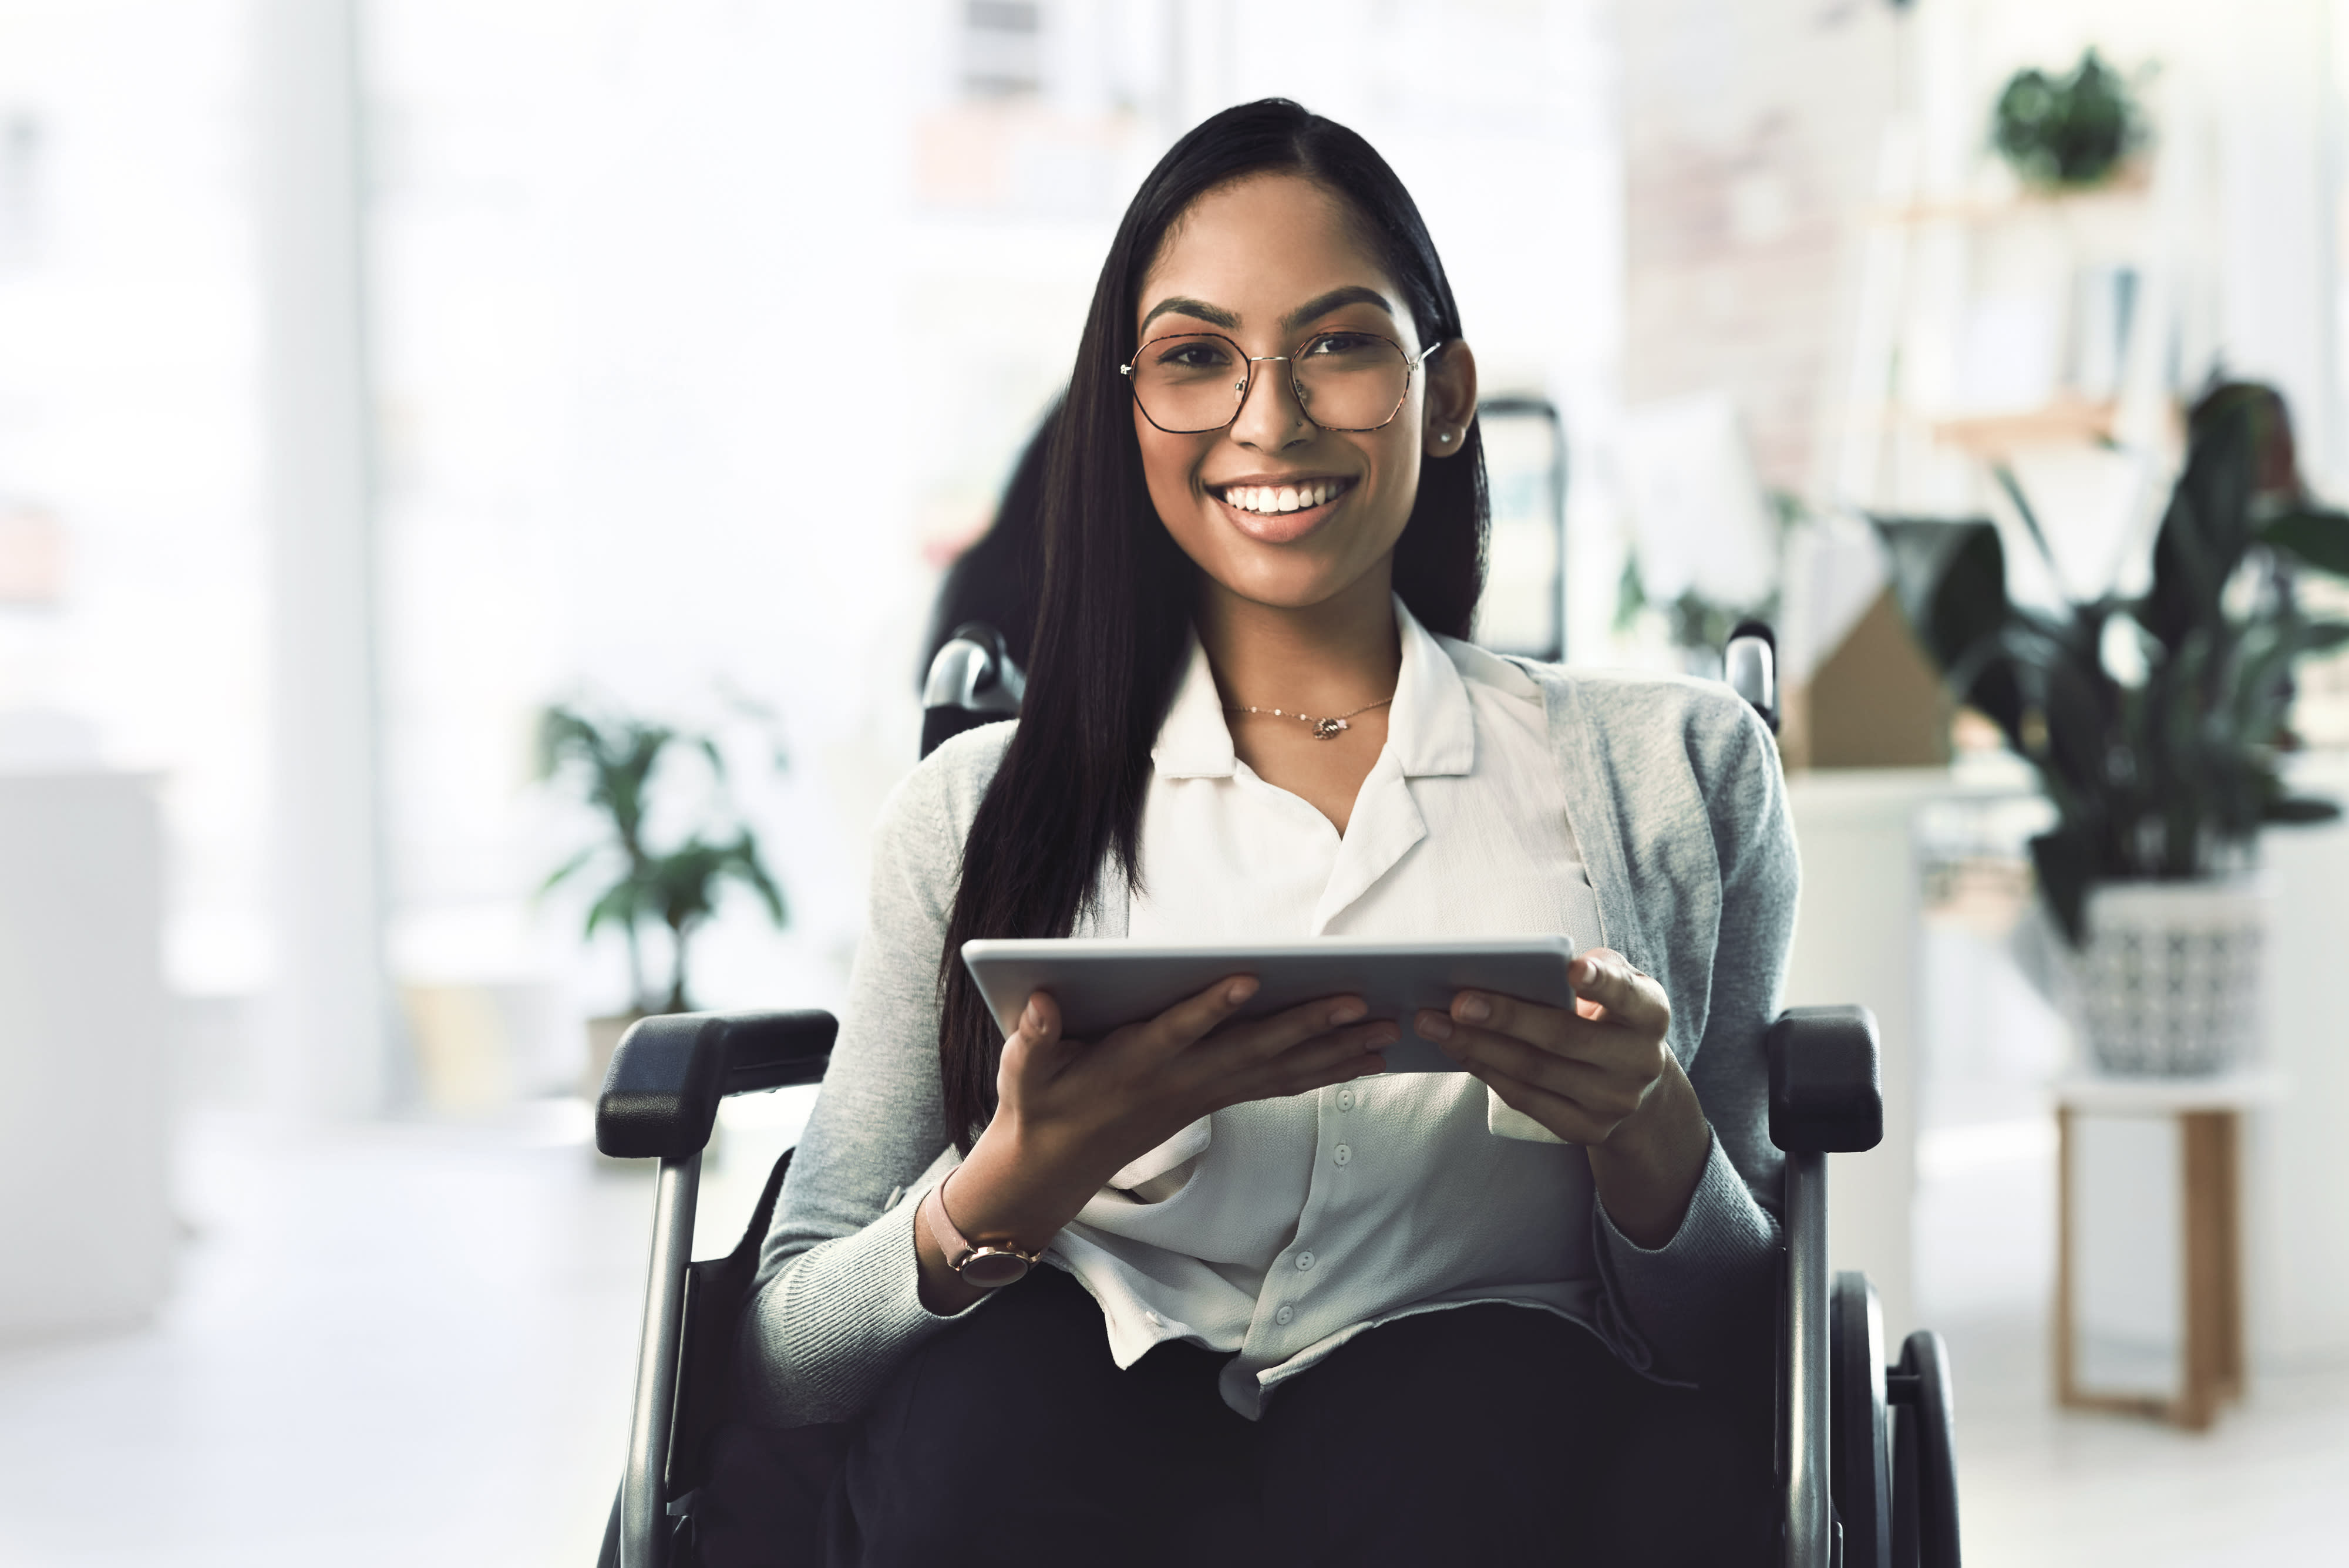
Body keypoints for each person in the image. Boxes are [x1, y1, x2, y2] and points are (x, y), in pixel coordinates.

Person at [733, 99, 1794, 1567]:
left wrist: (1644, 1123)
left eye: (1339, 344)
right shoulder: (977, 811)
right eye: (1194, 358)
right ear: (1128, 411)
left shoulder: (1673, 774)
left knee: (1458, 1416)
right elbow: (785, 1359)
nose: (1269, 417)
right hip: (1052, 1470)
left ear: (1446, 392)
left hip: (1483, 1476)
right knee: (985, 1424)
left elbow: (1738, 1349)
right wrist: (1008, 1191)